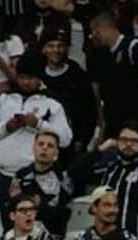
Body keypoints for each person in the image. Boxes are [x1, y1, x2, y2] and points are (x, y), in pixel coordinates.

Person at [0, 54, 75, 198]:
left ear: (39, 77)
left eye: (30, 78)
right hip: (4, 174)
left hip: (35, 177)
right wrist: (6, 127)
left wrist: (39, 124)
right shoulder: (4, 99)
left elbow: (65, 139)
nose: (25, 82)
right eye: (21, 77)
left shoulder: (52, 103)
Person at [87, 11, 138, 138]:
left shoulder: (133, 46)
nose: (92, 37)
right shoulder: (101, 55)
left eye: (93, 33)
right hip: (114, 121)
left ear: (99, 30)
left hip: (136, 119)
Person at [35, 26, 98, 158]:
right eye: (50, 46)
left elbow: (90, 113)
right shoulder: (36, 75)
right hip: (41, 146)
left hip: (72, 146)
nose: (56, 50)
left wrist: (82, 140)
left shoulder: (78, 76)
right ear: (43, 49)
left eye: (60, 46)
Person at [10, 131, 74, 235]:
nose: (44, 148)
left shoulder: (64, 178)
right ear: (33, 148)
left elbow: (64, 215)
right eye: (40, 144)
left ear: (56, 152)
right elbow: (11, 210)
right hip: (23, 236)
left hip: (52, 237)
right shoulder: (21, 175)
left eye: (50, 146)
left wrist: (40, 206)